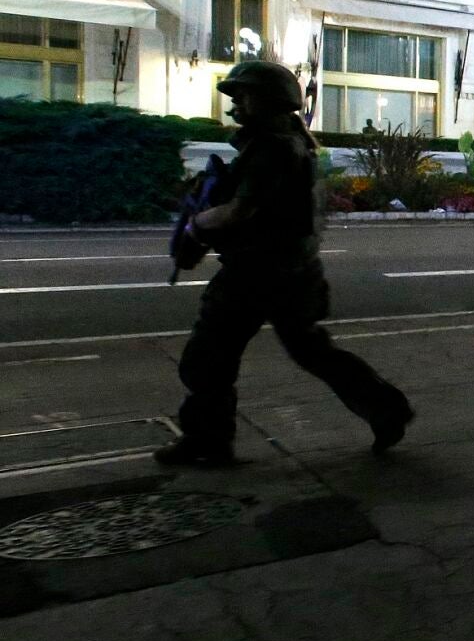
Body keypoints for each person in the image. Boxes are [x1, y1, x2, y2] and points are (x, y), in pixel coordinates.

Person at [155, 61, 414, 465]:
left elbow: (240, 211)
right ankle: (386, 409)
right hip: (293, 272)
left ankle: (208, 440)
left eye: (244, 95)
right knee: (312, 351)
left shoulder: (272, 147)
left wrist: (195, 227)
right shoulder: (290, 141)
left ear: (269, 100)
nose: (236, 103)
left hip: (257, 274)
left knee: (208, 357)